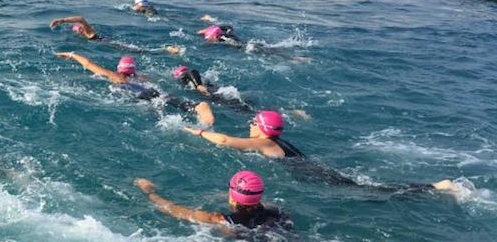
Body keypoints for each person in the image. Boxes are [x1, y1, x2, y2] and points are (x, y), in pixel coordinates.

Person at [181, 110, 460, 193]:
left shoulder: (264, 142)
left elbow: (227, 142)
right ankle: (433, 187)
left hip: (315, 175)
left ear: (262, 127)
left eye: (252, 122)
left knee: (374, 190)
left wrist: (200, 132)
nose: (250, 125)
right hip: (315, 168)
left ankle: (436, 187)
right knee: (367, 186)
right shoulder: (276, 141)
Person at [55, 52, 214, 122]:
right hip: (154, 91)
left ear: (119, 69)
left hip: (142, 96)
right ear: (133, 69)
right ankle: (198, 107)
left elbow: (90, 64)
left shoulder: (117, 77)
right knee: (171, 101)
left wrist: (72, 54)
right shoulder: (142, 77)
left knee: (159, 114)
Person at [134, 170, 292, 232]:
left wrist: (149, 191)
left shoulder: (221, 219)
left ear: (232, 195)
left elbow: (172, 209)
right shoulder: (276, 211)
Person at [50, 16, 185, 54]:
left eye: (79, 28)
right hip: (109, 46)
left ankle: (166, 49)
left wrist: (61, 21)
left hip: (110, 43)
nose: (79, 30)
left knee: (140, 51)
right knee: (138, 51)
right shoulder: (84, 37)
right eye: (76, 30)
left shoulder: (90, 32)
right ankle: (164, 49)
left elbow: (80, 18)